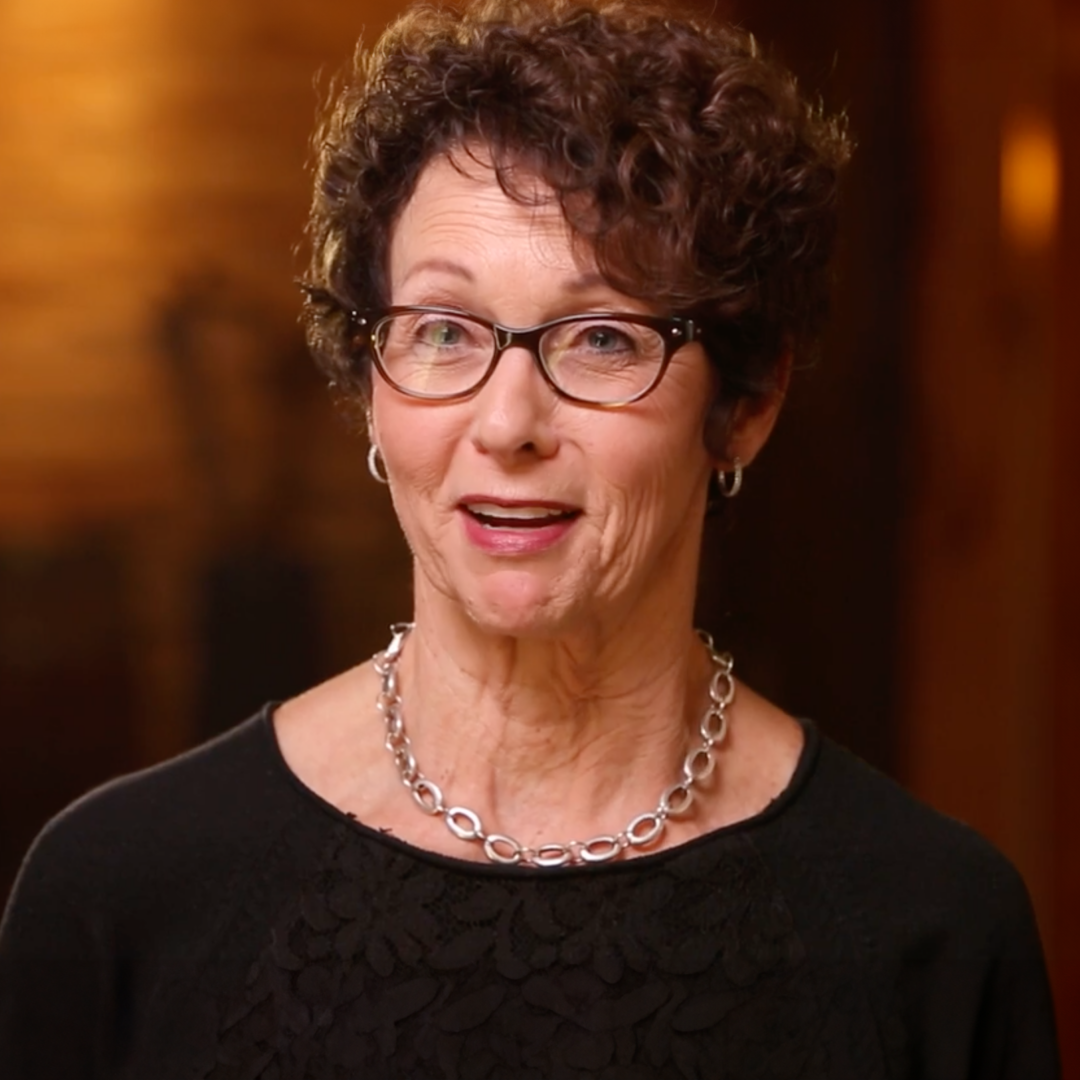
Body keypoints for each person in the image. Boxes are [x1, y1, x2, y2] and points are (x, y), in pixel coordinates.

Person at [0, 0, 1061, 1076]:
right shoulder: (120, 896)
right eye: (444, 332)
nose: (507, 425)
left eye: (602, 338)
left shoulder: (931, 932)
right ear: (371, 386)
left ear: (746, 401)